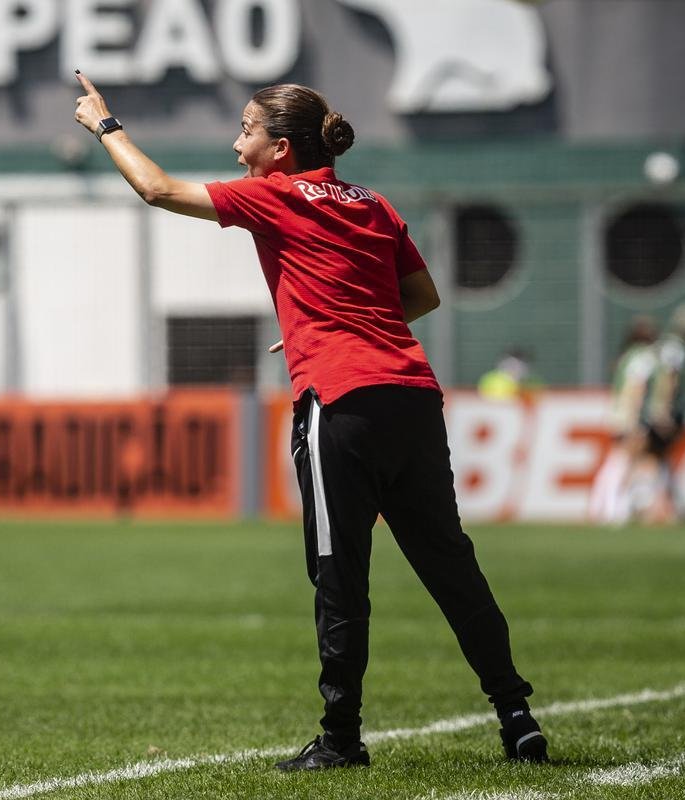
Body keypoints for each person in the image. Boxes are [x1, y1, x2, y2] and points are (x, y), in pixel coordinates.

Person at [73, 72, 546, 769]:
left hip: (342, 400)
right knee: (451, 566)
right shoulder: (373, 202)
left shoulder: (278, 195)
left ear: (282, 149)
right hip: (411, 396)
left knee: (338, 572)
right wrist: (335, 322)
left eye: (246, 131)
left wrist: (105, 124)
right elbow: (421, 295)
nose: (237, 146)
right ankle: (517, 716)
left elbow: (158, 189)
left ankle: (342, 738)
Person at [588, 316, 658, 524]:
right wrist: (635, 416)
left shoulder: (626, 356)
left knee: (619, 458)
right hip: (629, 412)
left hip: (618, 409)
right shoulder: (643, 357)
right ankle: (612, 509)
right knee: (623, 459)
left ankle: (601, 505)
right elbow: (635, 386)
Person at [638, 304, 685, 522]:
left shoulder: (666, 346)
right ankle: (653, 505)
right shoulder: (675, 348)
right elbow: (667, 379)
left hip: (659, 409)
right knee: (653, 458)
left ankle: (662, 505)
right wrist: (662, 409)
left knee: (658, 458)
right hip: (667, 411)